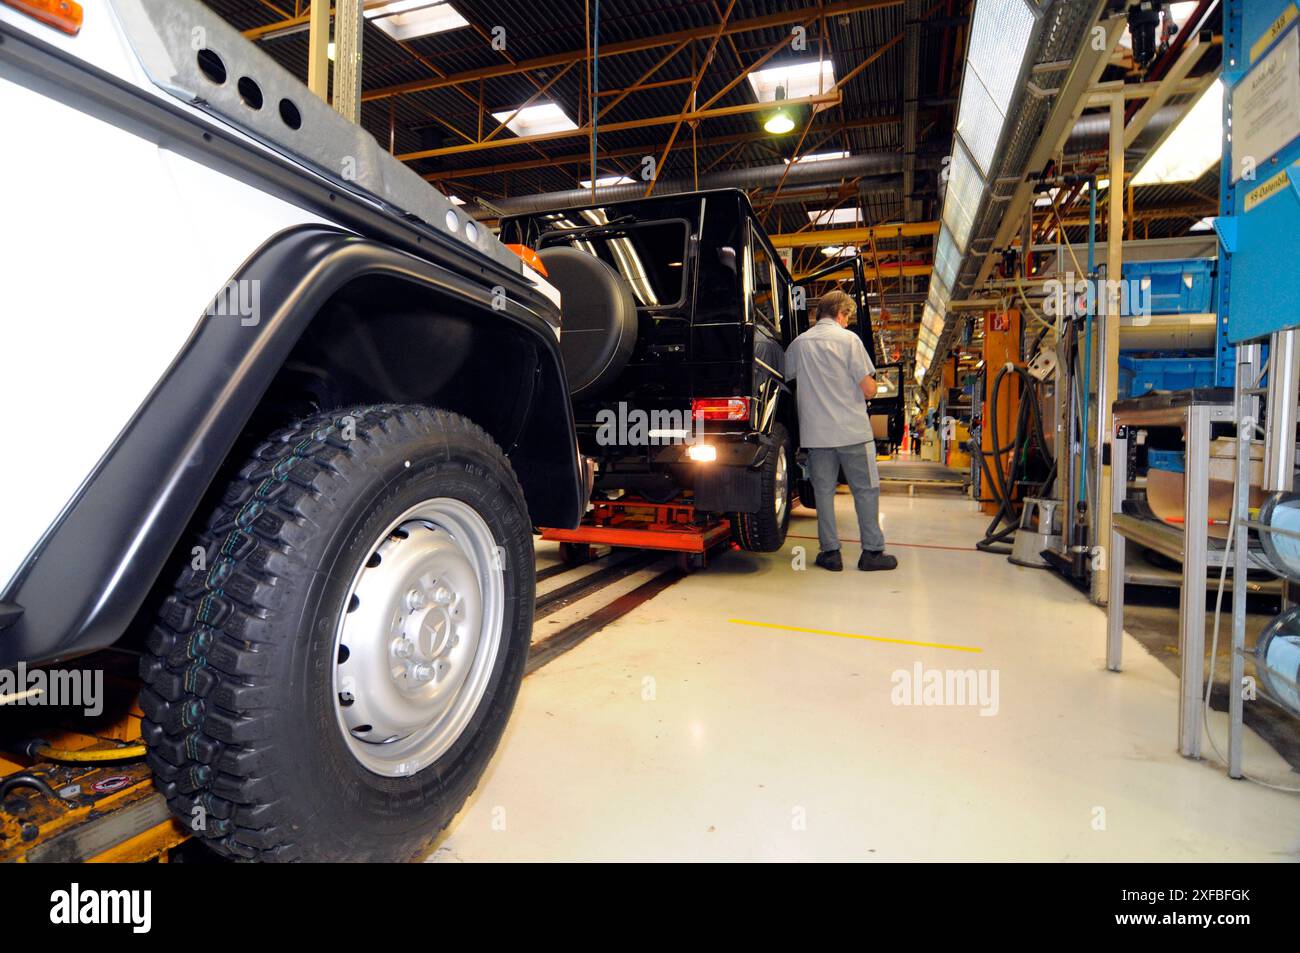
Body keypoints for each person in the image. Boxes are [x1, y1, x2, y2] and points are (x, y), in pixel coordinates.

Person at [785, 290, 897, 572]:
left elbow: (787, 379)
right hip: (853, 433)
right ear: (840, 314)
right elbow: (869, 389)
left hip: (817, 436)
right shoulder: (849, 341)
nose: (848, 322)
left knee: (823, 493)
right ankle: (871, 553)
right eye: (847, 317)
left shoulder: (799, 344)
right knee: (866, 491)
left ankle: (830, 553)